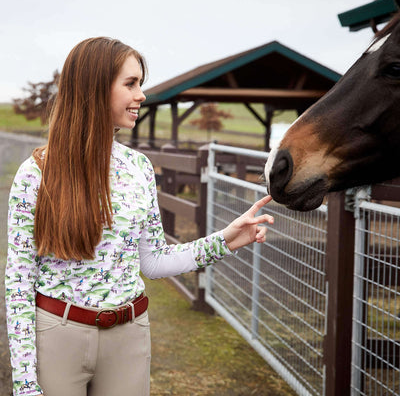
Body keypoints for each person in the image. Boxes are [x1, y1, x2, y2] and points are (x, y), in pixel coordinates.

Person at [5, 37, 274, 396]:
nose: (141, 95)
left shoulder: (139, 169)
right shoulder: (35, 173)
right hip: (56, 336)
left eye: (140, 83)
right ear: (94, 88)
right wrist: (25, 384)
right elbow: (19, 281)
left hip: (129, 337)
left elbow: (153, 261)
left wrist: (224, 240)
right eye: (130, 84)